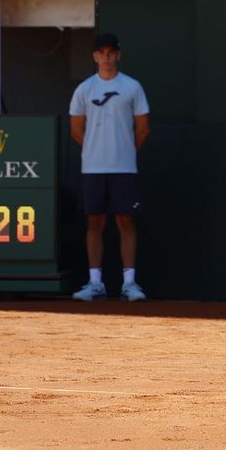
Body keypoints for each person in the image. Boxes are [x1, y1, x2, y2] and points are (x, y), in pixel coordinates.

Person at [70, 32, 150, 303]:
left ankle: (129, 284)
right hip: (92, 168)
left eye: (111, 52)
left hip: (124, 168)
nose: (106, 57)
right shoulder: (84, 90)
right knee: (94, 222)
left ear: (118, 55)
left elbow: (142, 129)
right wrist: (96, 151)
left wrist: (124, 152)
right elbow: (76, 130)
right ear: (94, 56)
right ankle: (95, 283)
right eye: (101, 52)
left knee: (126, 221)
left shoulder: (132, 87)